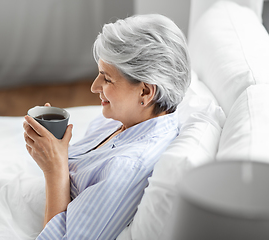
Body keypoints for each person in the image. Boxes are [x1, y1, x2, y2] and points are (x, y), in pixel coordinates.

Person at [23, 14, 190, 239]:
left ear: (145, 92)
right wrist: (53, 151)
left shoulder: (126, 167)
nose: (94, 87)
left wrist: (55, 170)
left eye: (107, 79)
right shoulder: (126, 120)